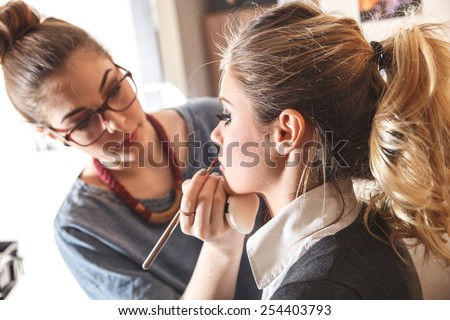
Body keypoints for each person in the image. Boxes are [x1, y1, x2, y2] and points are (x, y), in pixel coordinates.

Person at [178, 1, 450, 299]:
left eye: (227, 116)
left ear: (285, 133)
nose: (216, 134)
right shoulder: (370, 231)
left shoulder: (310, 292)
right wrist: (223, 245)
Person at [0, 0, 261, 299]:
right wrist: (221, 247)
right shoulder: (81, 230)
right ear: (52, 135)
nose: (117, 123)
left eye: (114, 90)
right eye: (84, 121)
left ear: (116, 65)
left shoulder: (212, 120)